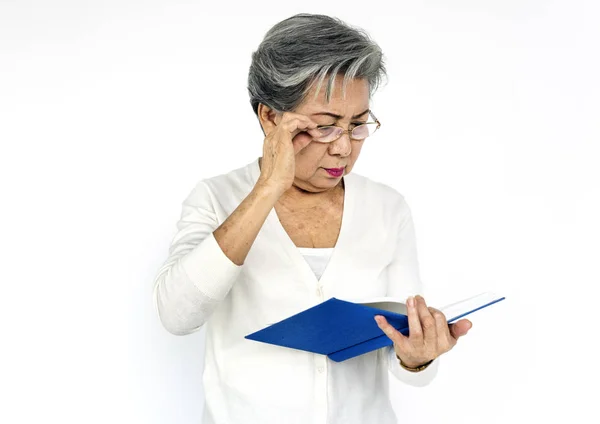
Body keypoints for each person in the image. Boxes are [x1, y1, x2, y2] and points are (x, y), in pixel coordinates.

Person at [152, 13, 472, 424]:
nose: (343, 148)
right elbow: (177, 315)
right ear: (270, 118)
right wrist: (268, 187)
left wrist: (417, 359)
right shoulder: (217, 197)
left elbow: (407, 361)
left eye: (357, 125)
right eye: (324, 127)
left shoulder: (387, 208)